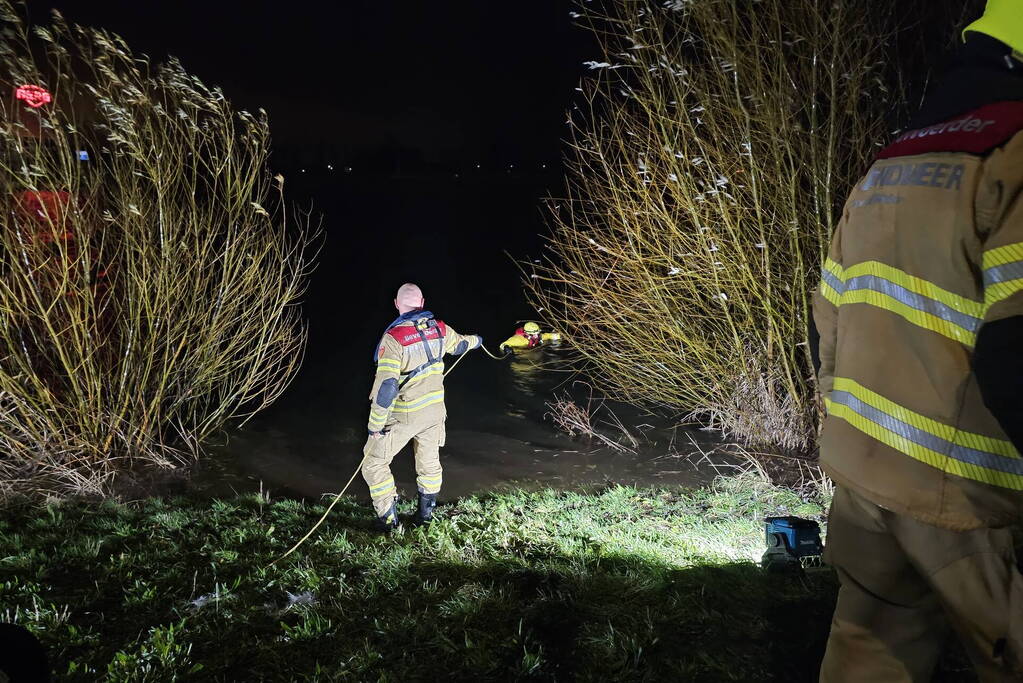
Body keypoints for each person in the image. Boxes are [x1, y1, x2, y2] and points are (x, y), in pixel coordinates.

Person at [813, 3, 1023, 680]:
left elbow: (828, 319)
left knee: (865, 657)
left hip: (862, 481)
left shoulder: (894, 158)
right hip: (965, 502)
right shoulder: (1014, 155)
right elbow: (1016, 353)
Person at [362, 283, 481, 530]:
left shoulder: (393, 339)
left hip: (405, 414)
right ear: (423, 302)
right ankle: (425, 518)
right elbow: (460, 345)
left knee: (373, 462)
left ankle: (388, 520)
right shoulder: (439, 329)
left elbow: (386, 388)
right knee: (429, 464)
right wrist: (477, 340)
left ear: (396, 304)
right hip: (435, 413)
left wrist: (375, 425)